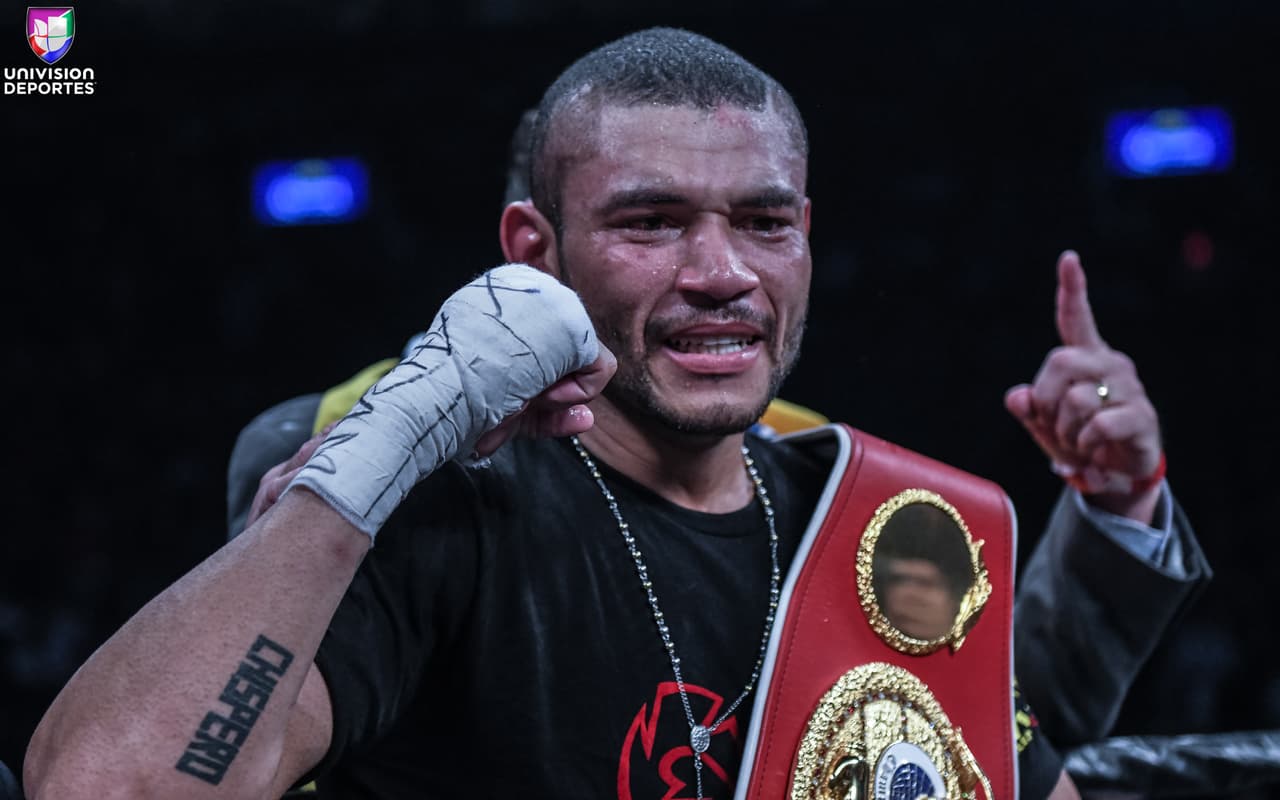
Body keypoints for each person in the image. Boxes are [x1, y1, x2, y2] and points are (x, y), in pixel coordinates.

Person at [24, 27, 1199, 800]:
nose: (720, 271)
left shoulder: (882, 516)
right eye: (650, 222)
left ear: (804, 238)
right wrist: (369, 458)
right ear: (534, 253)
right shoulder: (447, 522)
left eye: (761, 221)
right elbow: (107, 786)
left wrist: (1117, 503)